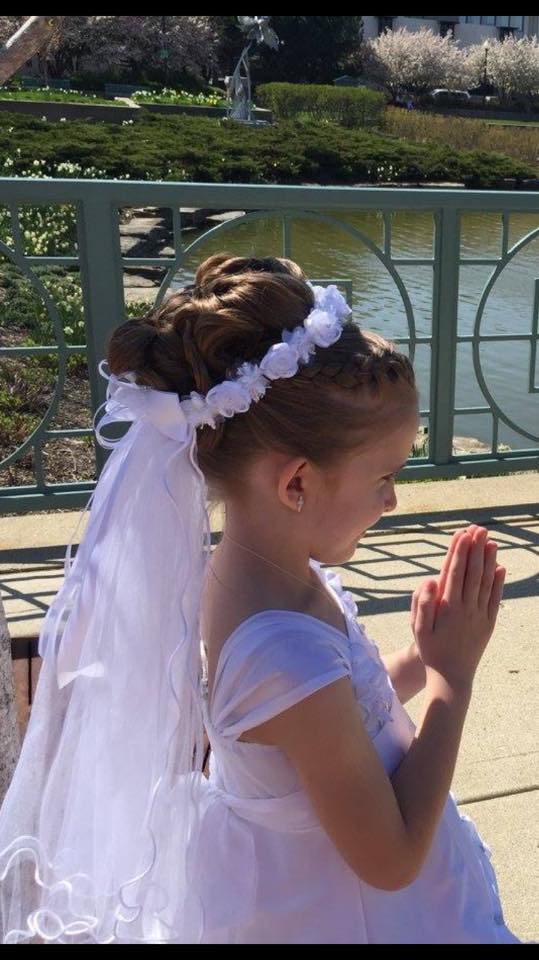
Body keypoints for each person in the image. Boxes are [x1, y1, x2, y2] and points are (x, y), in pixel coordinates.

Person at [0, 254, 525, 943]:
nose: (392, 500)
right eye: (383, 478)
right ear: (296, 484)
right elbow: (391, 859)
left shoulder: (252, 574)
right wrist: (453, 682)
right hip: (349, 914)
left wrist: (421, 659)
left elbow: (346, 706)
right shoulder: (280, 649)